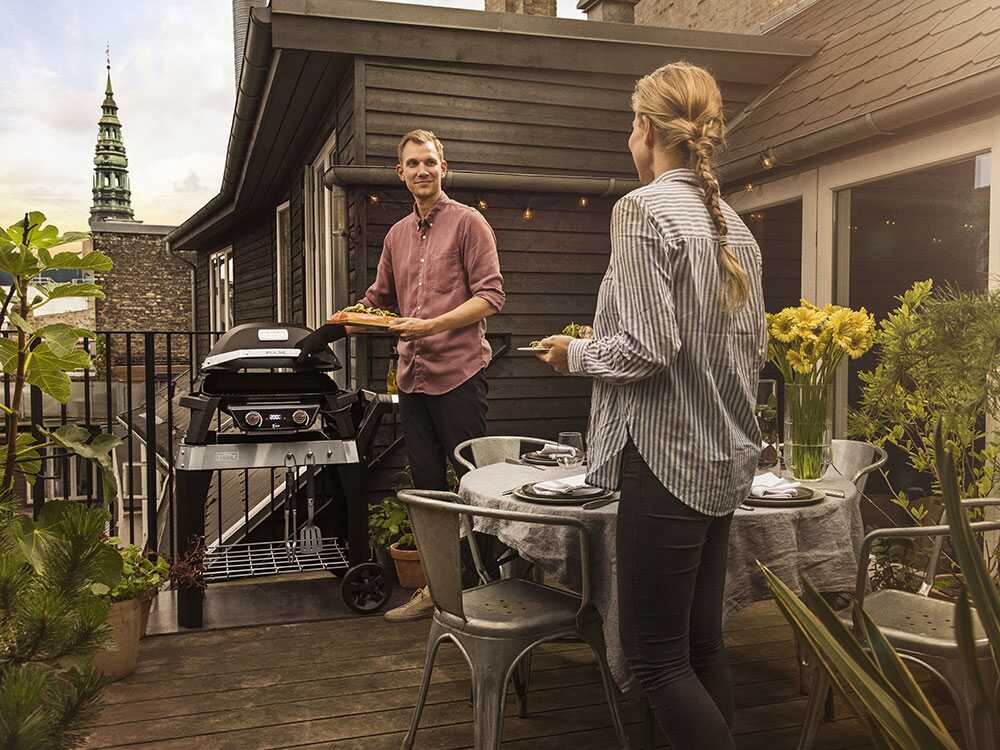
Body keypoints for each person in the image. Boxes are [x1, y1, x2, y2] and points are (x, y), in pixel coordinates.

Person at [537, 63, 766, 749]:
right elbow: (744, 352)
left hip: (666, 464)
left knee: (656, 661)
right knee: (701, 649)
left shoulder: (640, 210)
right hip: (723, 462)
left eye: (631, 123)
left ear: (644, 128)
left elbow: (646, 349)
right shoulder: (734, 226)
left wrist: (574, 355)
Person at [357, 129, 506, 622]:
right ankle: (437, 592)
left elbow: (491, 296)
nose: (421, 171)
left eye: (429, 162)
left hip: (459, 374)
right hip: (413, 379)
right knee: (426, 490)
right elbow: (378, 297)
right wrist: (349, 315)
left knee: (473, 485)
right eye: (412, 164)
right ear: (400, 173)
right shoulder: (396, 235)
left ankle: (483, 589)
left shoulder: (469, 224)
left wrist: (433, 325)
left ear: (444, 168)